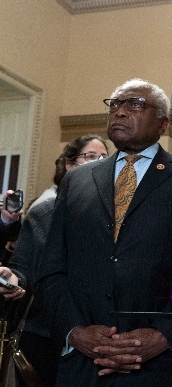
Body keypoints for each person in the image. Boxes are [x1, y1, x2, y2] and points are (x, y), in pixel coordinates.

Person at [34, 78, 172, 387]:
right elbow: (52, 268)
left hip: (157, 366)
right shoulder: (77, 180)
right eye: (115, 104)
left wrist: (164, 336)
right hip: (82, 364)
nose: (119, 112)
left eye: (134, 104)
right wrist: (74, 332)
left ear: (163, 123)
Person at [0, 134, 109, 386]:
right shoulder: (46, 211)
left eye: (104, 158)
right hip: (44, 335)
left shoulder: (111, 213)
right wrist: (13, 279)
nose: (99, 162)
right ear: (70, 166)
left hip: (94, 336)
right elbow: (24, 268)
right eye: (91, 156)